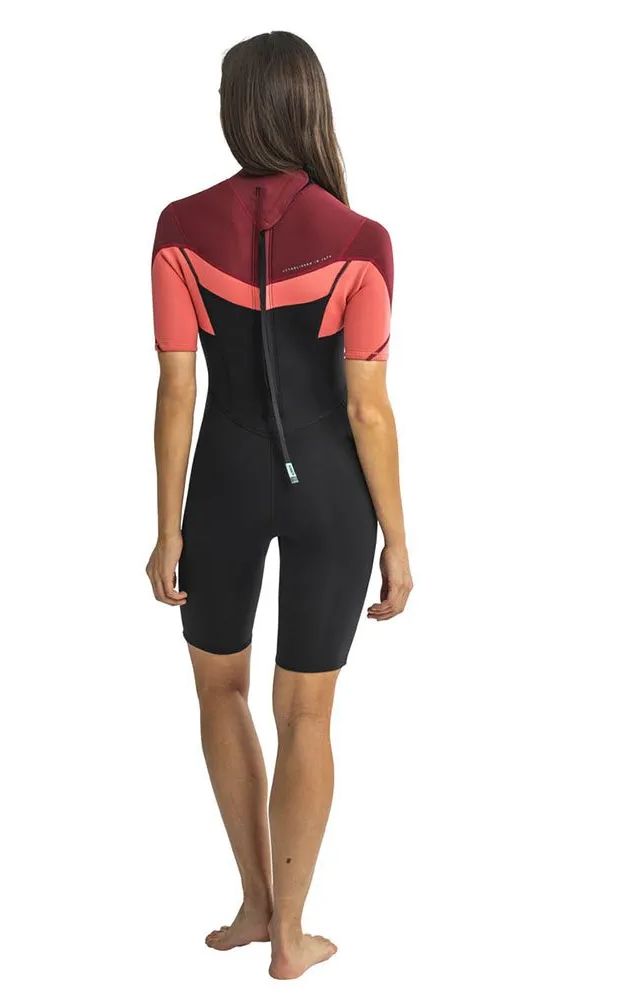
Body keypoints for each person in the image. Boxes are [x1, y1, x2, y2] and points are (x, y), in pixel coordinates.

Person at [145, 30, 412, 980]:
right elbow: (367, 409)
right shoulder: (361, 240)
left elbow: (178, 389)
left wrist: (167, 526)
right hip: (333, 495)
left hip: (221, 484)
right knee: (307, 715)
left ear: (237, 110)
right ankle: (291, 936)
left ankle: (255, 904)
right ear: (310, 106)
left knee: (219, 692)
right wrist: (399, 541)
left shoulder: (180, 227)